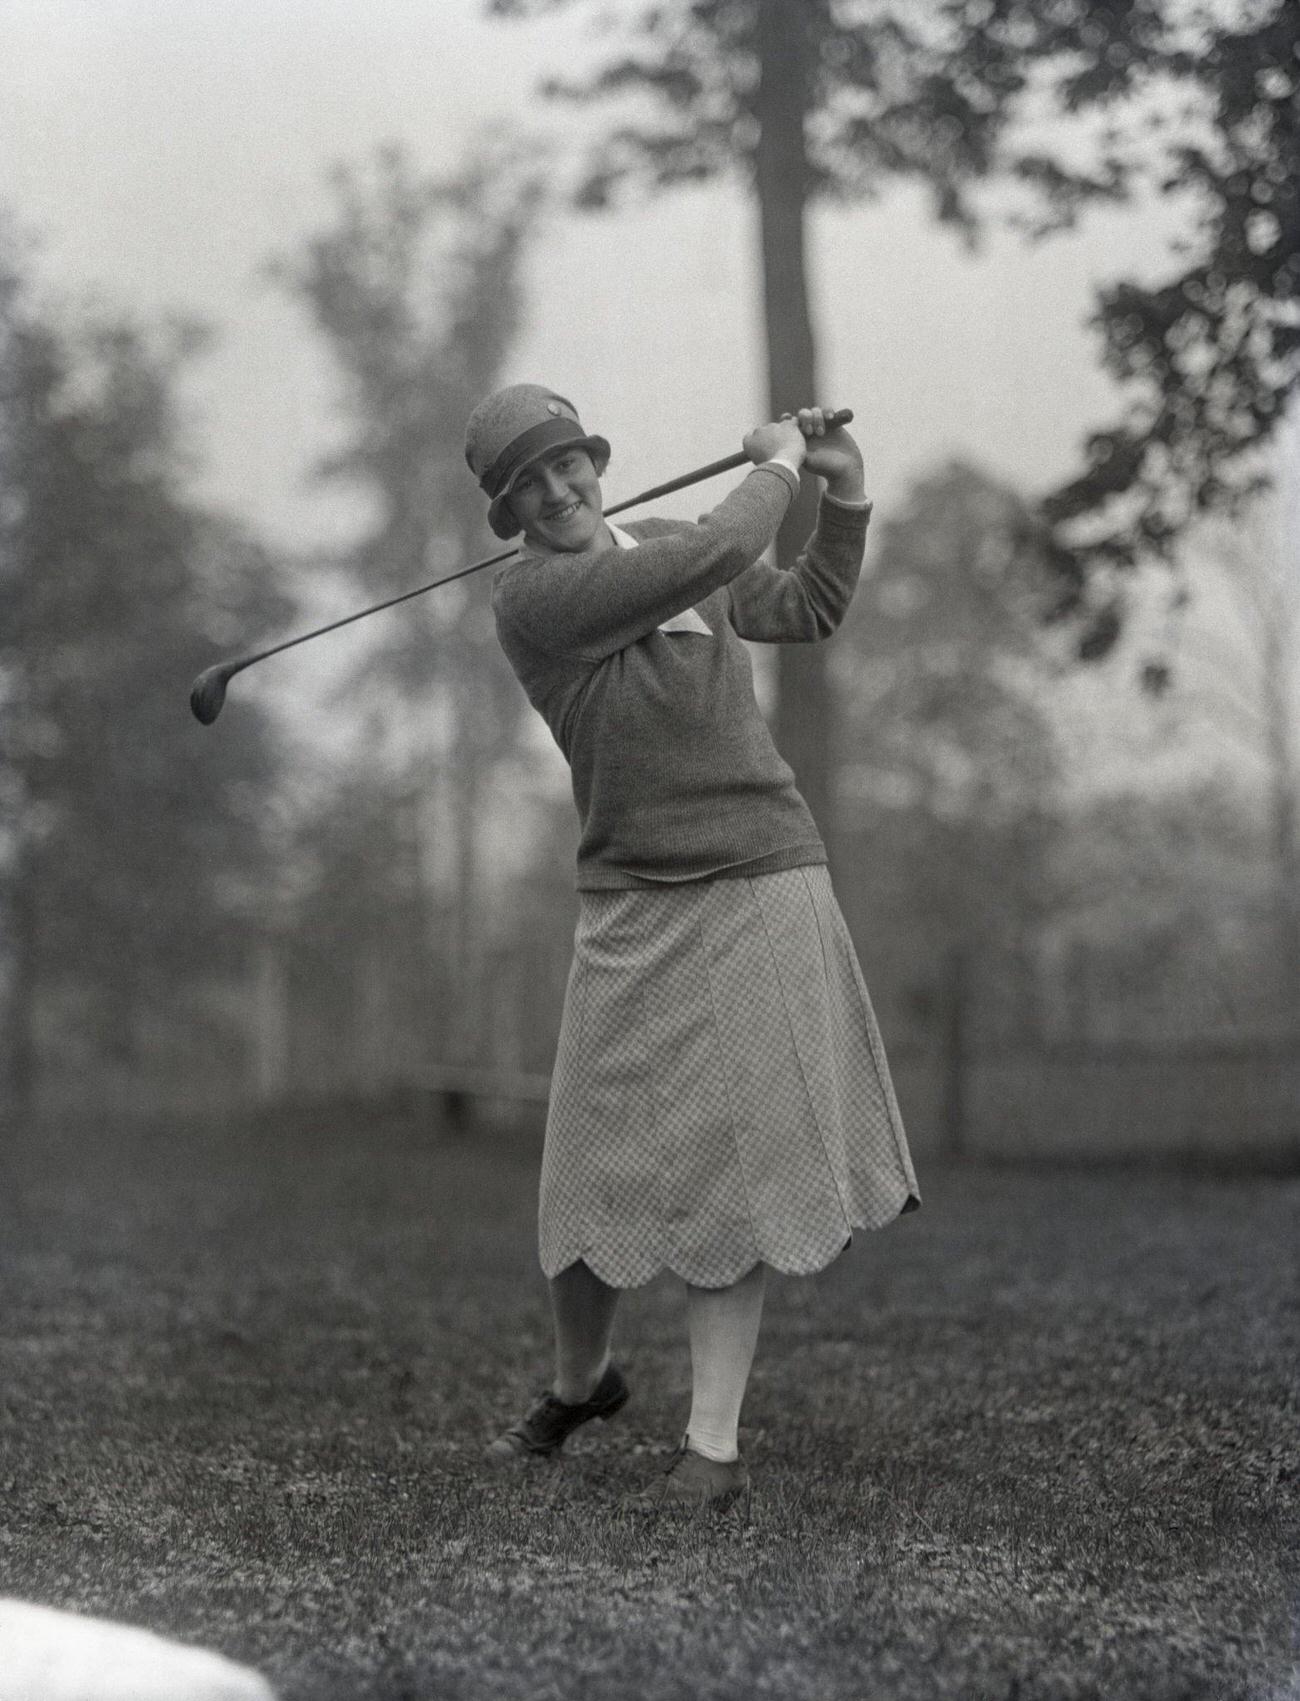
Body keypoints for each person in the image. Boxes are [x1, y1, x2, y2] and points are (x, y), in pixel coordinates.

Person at [463, 384, 919, 1509]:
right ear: (510, 511)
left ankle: (710, 1449)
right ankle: (584, 1380)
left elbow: (804, 606)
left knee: (738, 1175)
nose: (561, 490)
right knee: (586, 1172)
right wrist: (771, 469)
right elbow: (711, 552)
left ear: (592, 462)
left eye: (570, 464)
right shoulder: (536, 599)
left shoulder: (671, 543)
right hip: (631, 895)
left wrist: (843, 495)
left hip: (763, 875)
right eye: (533, 483)